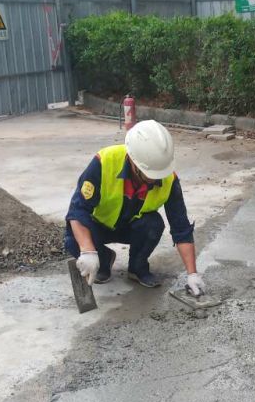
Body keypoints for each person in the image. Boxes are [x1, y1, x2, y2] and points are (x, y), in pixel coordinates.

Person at [64, 119, 204, 294]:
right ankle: (104, 260)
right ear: (132, 159)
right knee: (72, 240)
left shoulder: (168, 178)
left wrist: (192, 274)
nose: (153, 179)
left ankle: (137, 268)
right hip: (98, 226)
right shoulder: (105, 161)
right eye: (148, 174)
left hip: (133, 228)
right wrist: (87, 251)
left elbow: (181, 228)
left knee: (153, 224)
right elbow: (78, 210)